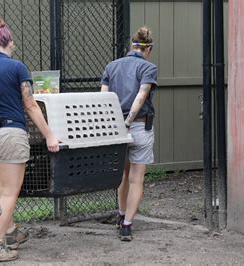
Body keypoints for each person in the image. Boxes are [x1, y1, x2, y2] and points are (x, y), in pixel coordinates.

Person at [0, 18, 59, 262]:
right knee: (11, 192)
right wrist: (49, 134)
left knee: (0, 188)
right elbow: (30, 104)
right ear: (9, 43)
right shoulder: (17, 67)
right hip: (10, 134)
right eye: (13, 44)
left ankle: (11, 233)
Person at [100, 26, 157, 241]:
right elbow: (142, 96)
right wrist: (129, 121)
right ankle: (127, 225)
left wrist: (115, 123)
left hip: (116, 128)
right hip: (140, 126)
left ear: (131, 46)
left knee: (123, 175)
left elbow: (103, 98)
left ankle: (120, 214)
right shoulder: (149, 68)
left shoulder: (111, 67)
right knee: (136, 179)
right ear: (148, 48)